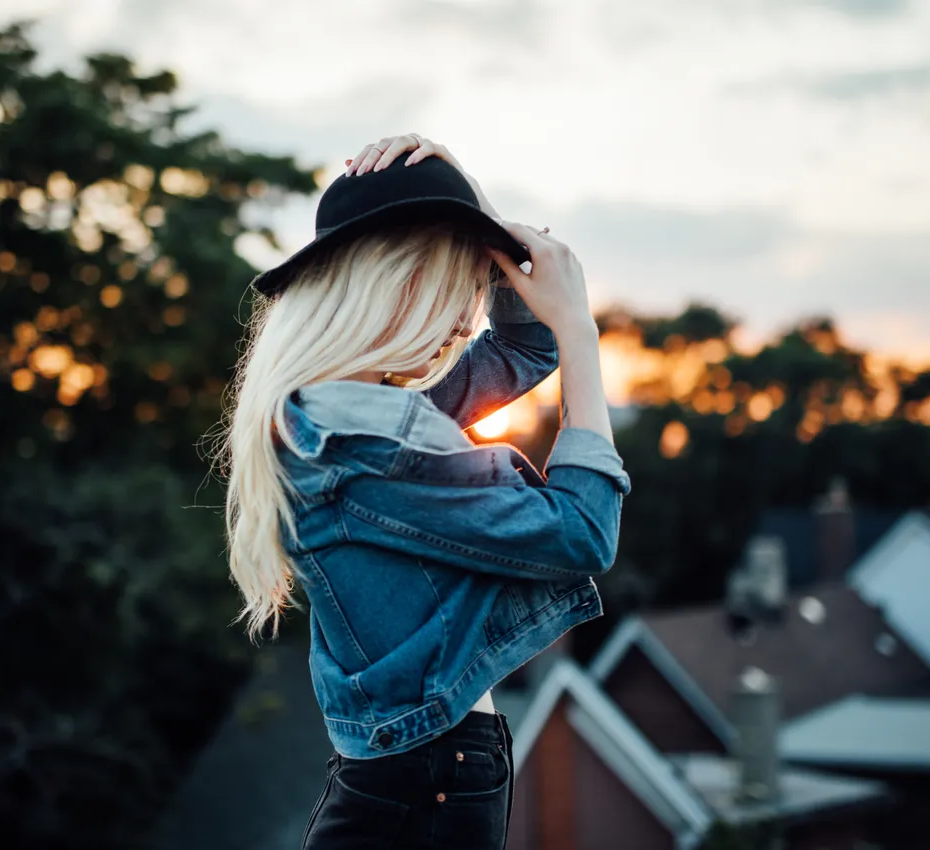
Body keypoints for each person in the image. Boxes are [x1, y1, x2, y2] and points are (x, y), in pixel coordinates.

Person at [214, 133, 631, 850]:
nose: (465, 324)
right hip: (428, 787)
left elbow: (524, 348)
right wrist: (583, 335)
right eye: (453, 293)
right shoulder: (370, 452)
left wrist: (457, 190)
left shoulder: (331, 418)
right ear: (397, 287)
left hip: (412, 781)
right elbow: (581, 532)